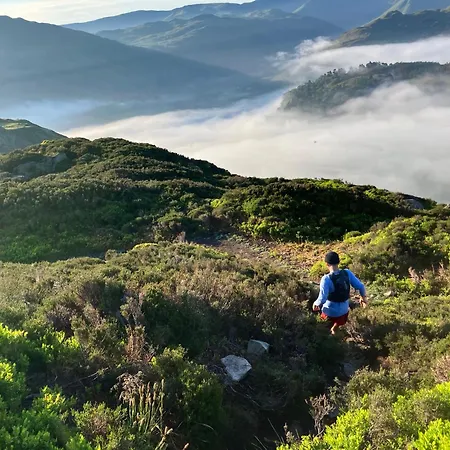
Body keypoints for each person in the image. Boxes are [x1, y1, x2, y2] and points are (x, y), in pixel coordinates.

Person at [313, 251, 367, 335]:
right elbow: (361, 286)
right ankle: (334, 329)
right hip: (344, 311)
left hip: (330, 313)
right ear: (338, 262)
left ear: (327, 264)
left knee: (322, 328)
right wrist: (363, 298)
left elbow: (322, 298)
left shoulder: (326, 279)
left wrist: (316, 304)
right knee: (339, 319)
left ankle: (326, 335)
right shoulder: (347, 273)